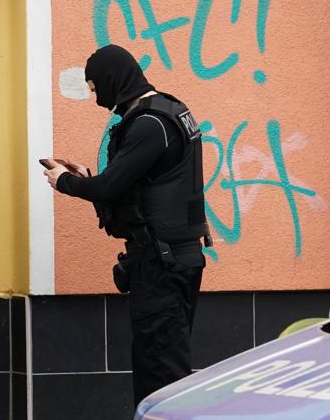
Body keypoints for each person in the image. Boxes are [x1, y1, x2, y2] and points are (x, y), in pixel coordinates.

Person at [43, 44, 210, 407]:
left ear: (111, 79)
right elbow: (138, 184)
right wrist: (87, 175)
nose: (94, 95)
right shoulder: (169, 111)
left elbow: (110, 187)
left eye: (94, 86)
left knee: (160, 374)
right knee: (163, 366)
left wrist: (66, 182)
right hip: (174, 259)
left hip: (160, 264)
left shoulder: (150, 124)